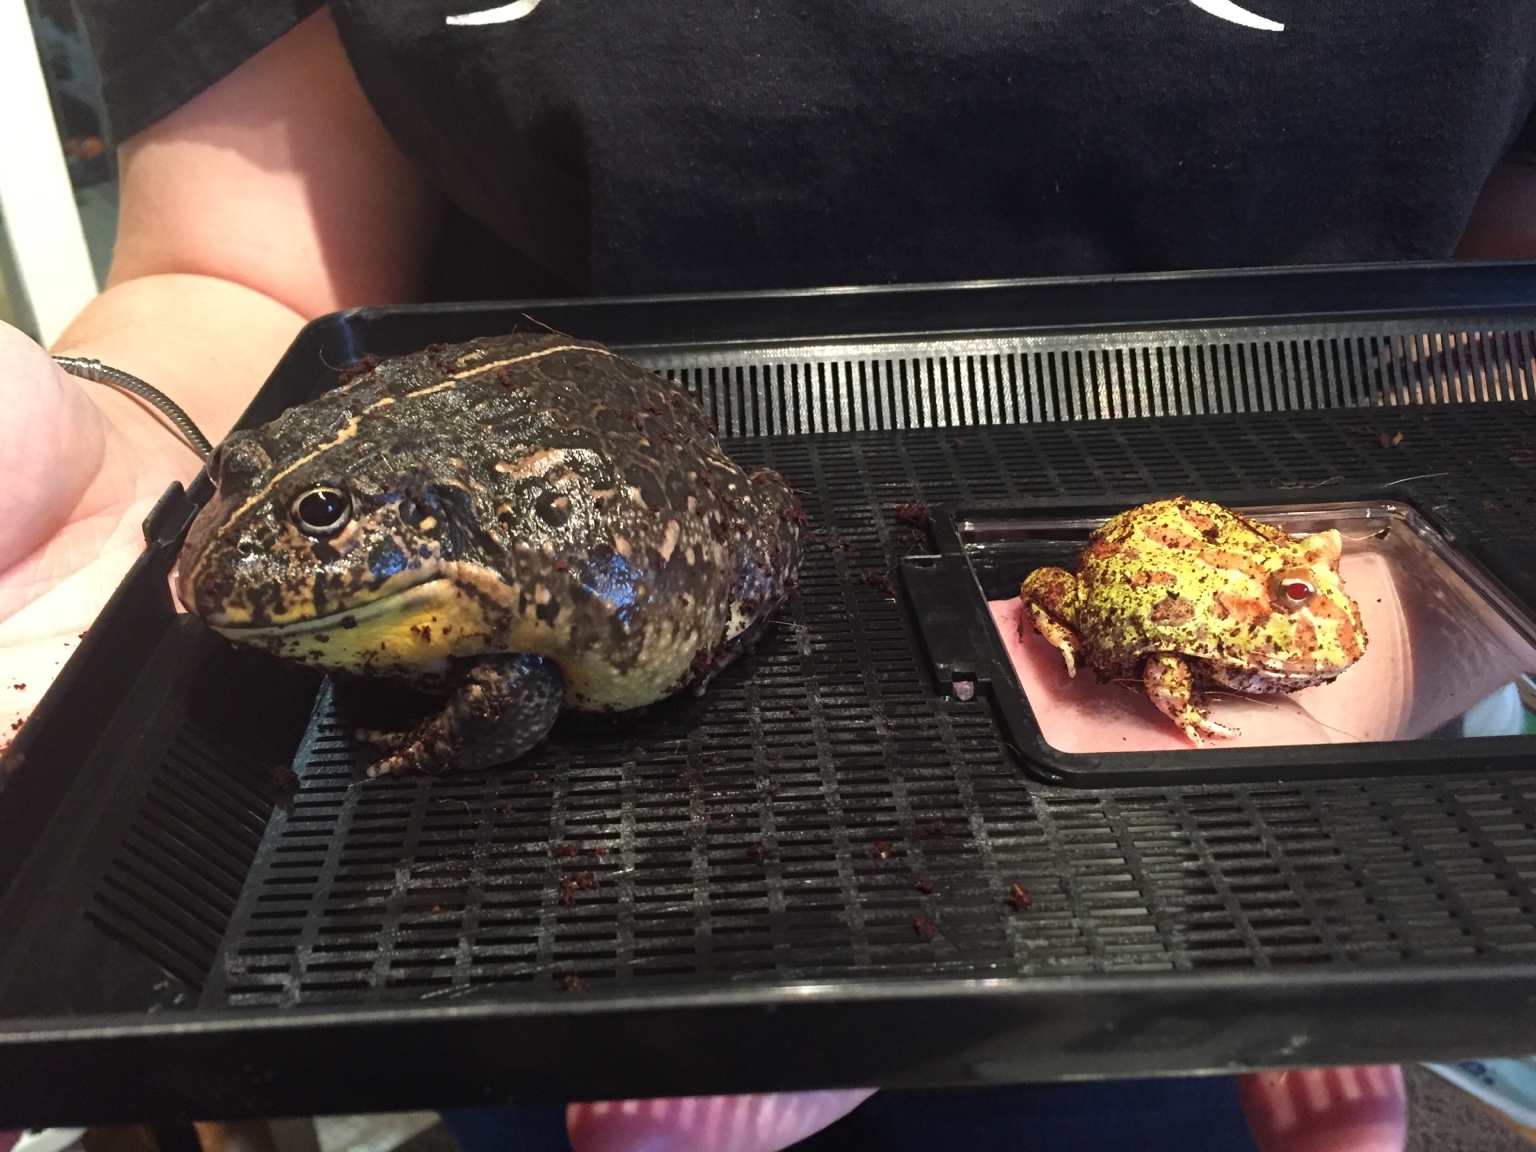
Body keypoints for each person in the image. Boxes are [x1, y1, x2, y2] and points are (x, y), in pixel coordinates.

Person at [5, 1, 1536, 1148]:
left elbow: (1499, 357)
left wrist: (1398, 637)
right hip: (510, 936)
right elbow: (245, 270)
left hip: (1224, 877)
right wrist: (118, 423)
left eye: (334, 522)